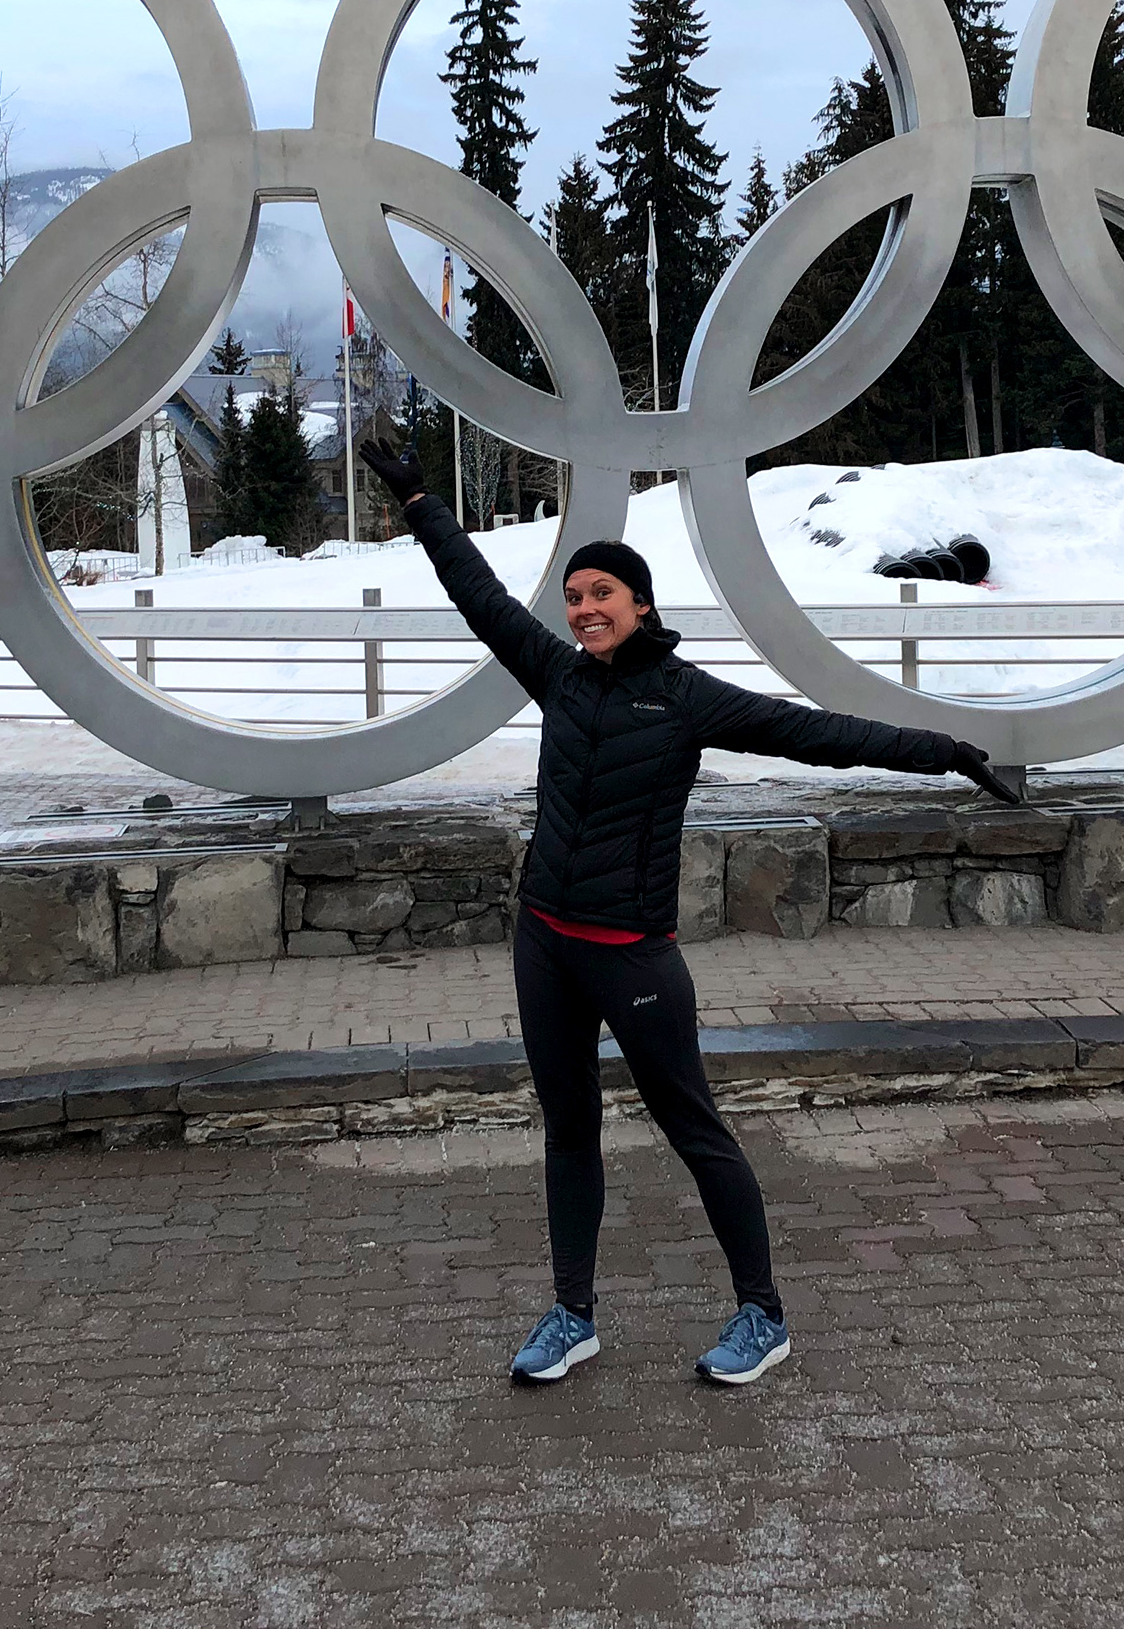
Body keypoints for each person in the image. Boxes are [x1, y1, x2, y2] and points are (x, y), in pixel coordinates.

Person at [358, 439, 1024, 1388]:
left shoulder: (685, 699)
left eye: (603, 595)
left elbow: (824, 734)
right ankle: (572, 1314)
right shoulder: (557, 675)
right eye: (576, 597)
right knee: (568, 1128)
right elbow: (481, 596)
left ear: (640, 605)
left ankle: (763, 1314)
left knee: (693, 1128)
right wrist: (423, 499)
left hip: (632, 958)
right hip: (545, 941)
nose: (585, 609)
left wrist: (947, 749)